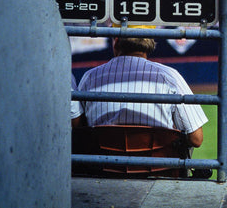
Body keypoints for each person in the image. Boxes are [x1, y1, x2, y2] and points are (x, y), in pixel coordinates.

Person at [77, 37, 208, 148]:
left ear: (116, 42)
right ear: (149, 43)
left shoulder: (90, 77)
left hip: (103, 169)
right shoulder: (169, 76)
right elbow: (196, 139)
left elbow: (77, 130)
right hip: (158, 169)